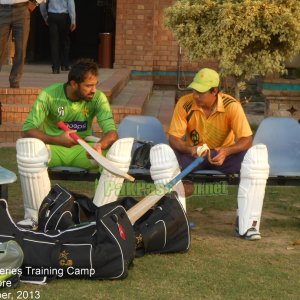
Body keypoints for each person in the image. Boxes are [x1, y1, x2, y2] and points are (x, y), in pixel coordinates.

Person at [16, 58, 119, 227]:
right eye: (88, 86)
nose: (94, 90)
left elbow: (112, 132)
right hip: (53, 150)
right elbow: (27, 130)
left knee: (115, 155)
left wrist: (101, 145)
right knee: (27, 147)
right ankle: (35, 217)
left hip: (83, 151)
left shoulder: (98, 98)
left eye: (95, 85)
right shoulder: (49, 95)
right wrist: (57, 140)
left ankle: (101, 218)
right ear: (73, 84)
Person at [168, 68, 253, 174]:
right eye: (194, 90)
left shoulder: (232, 106)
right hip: (194, 156)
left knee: (249, 156)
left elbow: (247, 140)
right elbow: (173, 138)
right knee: (170, 155)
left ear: (214, 91)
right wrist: (190, 150)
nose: (195, 95)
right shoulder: (184, 103)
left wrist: (227, 151)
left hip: (224, 157)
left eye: (200, 92)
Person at [0, 0, 43, 88]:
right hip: (3, 9)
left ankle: (15, 80)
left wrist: (36, 2)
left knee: (21, 48)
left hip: (22, 9)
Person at [40, 0, 76, 74]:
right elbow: (71, 6)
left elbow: (42, 4)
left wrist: (45, 17)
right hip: (64, 17)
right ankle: (64, 64)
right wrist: (73, 20)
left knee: (54, 42)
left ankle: (55, 68)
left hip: (52, 16)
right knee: (65, 40)